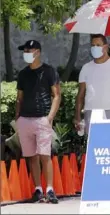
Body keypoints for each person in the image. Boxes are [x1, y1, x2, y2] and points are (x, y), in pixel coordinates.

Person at [16, 40, 61, 203]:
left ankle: (49, 189)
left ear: (38, 52)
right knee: (31, 156)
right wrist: (17, 118)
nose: (26, 53)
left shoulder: (49, 71)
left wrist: (49, 117)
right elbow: (19, 98)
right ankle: (38, 189)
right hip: (25, 120)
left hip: (42, 118)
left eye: (29, 50)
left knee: (44, 155)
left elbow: (56, 95)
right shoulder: (23, 74)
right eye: (24, 50)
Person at [74, 34, 110, 134]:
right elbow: (80, 94)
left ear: (106, 47)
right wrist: (77, 116)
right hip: (90, 112)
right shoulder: (86, 68)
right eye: (93, 45)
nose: (95, 48)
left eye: (98, 45)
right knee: (92, 144)